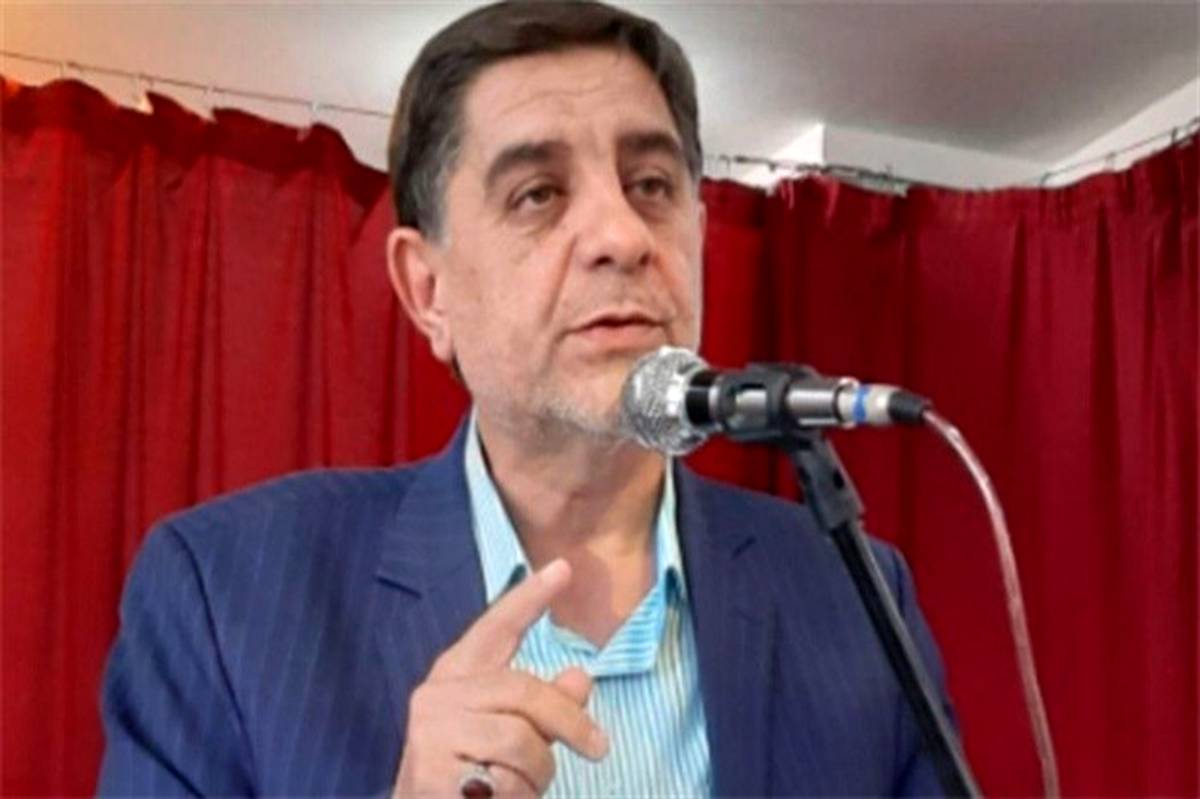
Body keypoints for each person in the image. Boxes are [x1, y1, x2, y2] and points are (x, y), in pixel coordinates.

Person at [98, 1, 957, 795]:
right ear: (428, 290)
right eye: (538, 194)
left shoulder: (856, 592)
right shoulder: (224, 593)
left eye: (651, 185)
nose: (622, 236)